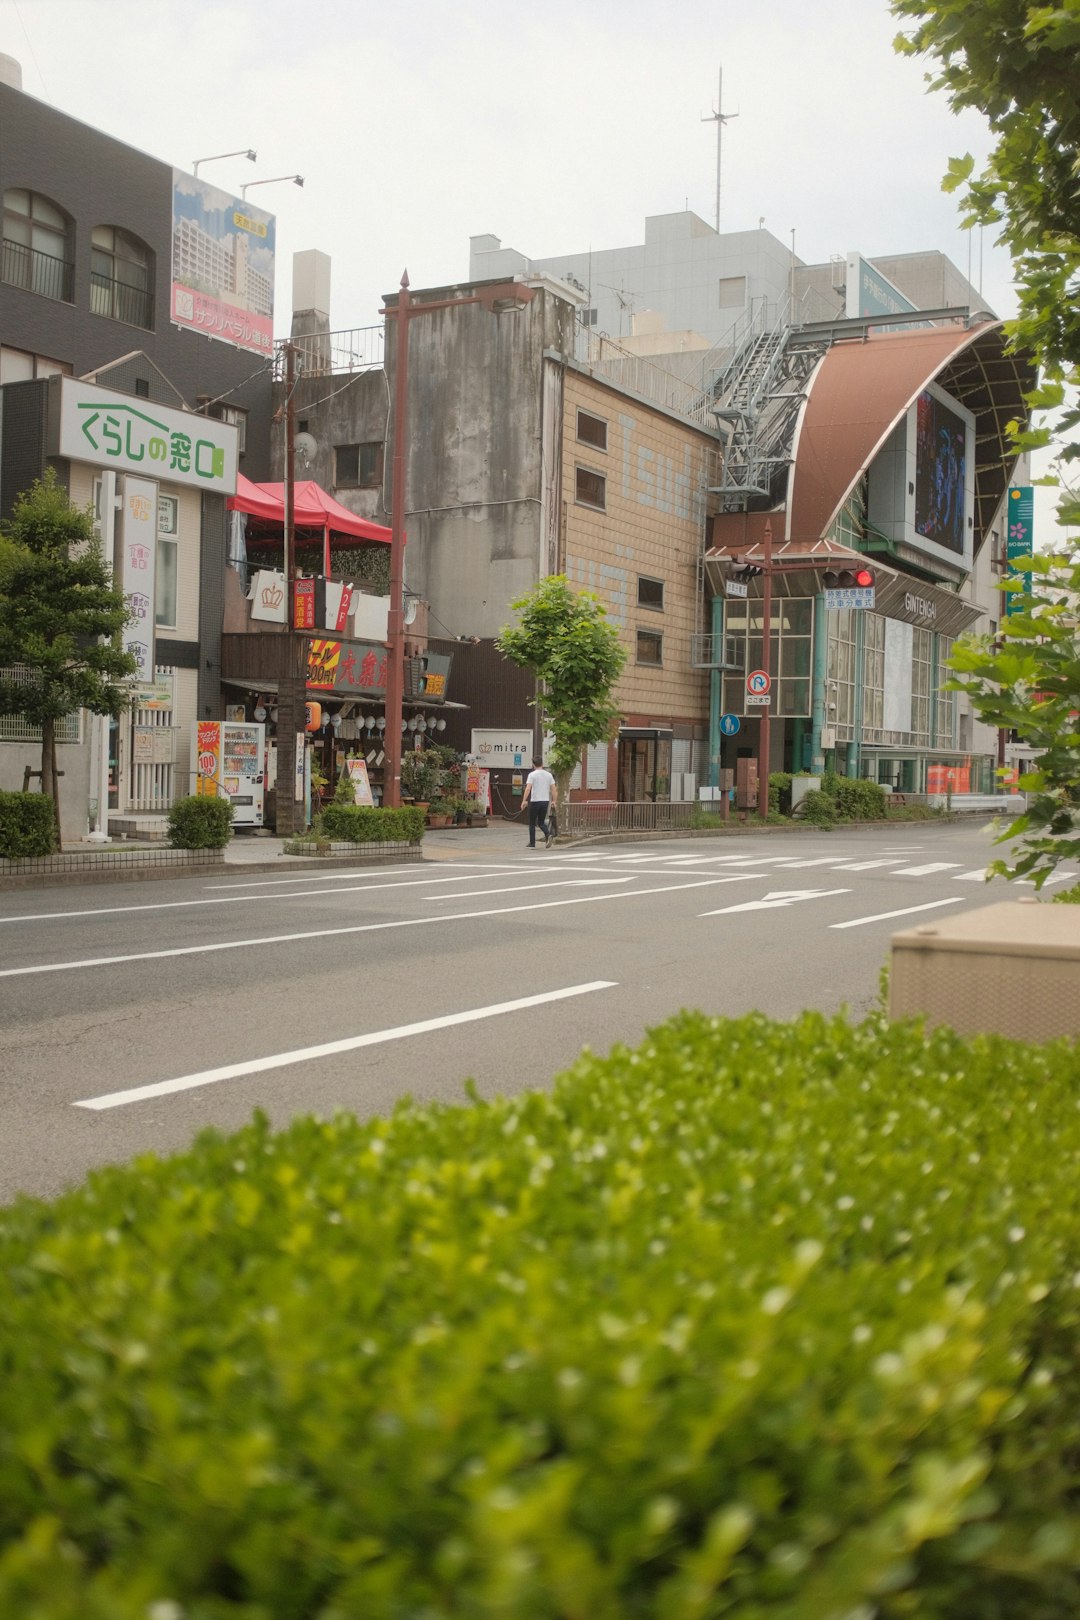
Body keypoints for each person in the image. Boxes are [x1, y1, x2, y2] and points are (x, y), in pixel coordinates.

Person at [521, 756, 557, 848]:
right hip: (545, 801)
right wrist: (554, 801)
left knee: (532, 823)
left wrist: (524, 800)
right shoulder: (548, 775)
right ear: (542, 764)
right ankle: (548, 835)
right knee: (541, 822)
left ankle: (532, 843)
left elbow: (528, 788)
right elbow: (553, 789)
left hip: (535, 801)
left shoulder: (532, 775)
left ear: (533, 764)